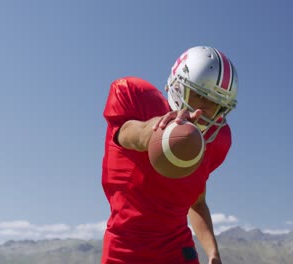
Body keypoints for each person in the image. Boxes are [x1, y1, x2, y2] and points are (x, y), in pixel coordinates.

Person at [101, 46, 238, 264]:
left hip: (176, 250)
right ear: (178, 86)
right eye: (200, 96)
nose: (205, 111)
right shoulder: (135, 99)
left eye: (216, 104)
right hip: (124, 249)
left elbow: (197, 201)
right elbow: (128, 134)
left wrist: (213, 253)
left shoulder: (216, 141)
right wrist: (156, 130)